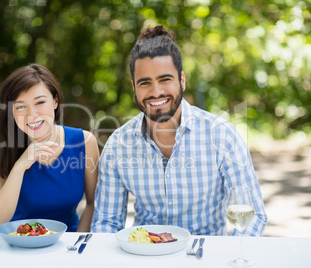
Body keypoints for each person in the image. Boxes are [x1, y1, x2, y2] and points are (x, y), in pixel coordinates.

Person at [91, 25, 267, 236]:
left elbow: (253, 216)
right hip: (145, 256)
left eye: (165, 79)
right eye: (145, 83)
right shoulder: (118, 145)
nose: (156, 92)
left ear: (182, 80)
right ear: (133, 88)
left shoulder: (222, 136)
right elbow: (106, 224)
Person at [0, 63, 99, 232]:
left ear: (55, 101)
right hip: (18, 244)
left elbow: (93, 204)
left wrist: (75, 247)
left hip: (66, 244)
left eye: (40, 102)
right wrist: (20, 167)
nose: (32, 114)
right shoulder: (1, 147)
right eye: (20, 106)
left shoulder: (85, 142)